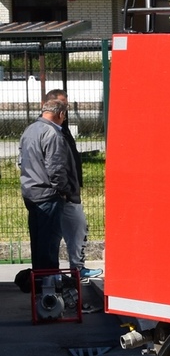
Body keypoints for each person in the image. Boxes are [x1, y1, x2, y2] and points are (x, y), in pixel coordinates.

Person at [19, 92, 76, 273]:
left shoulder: (30, 130)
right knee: (50, 244)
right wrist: (65, 190)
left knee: (38, 242)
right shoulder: (53, 134)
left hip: (31, 192)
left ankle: (39, 281)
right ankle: (48, 288)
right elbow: (56, 169)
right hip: (48, 195)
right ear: (60, 114)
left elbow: (22, 161)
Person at [48, 89, 101, 279]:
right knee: (59, 232)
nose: (66, 109)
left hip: (69, 190)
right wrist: (62, 189)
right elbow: (54, 165)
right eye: (63, 105)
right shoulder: (49, 130)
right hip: (60, 192)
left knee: (78, 228)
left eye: (67, 105)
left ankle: (76, 268)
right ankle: (55, 272)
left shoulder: (62, 127)